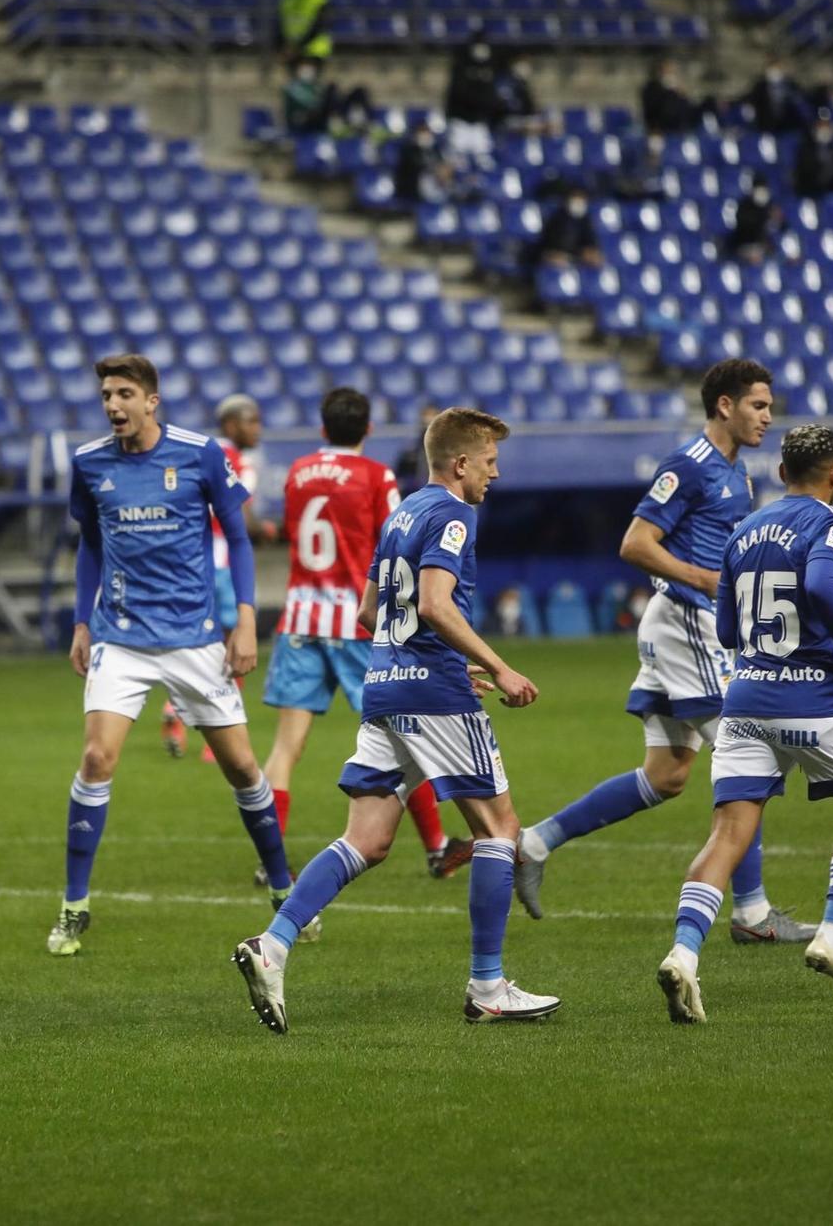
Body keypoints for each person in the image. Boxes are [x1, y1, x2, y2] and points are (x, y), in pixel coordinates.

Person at [232, 407, 560, 1033]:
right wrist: (498, 666)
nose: (495, 475)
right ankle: (489, 986)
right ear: (460, 463)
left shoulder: (401, 513)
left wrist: (430, 658)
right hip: (434, 697)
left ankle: (271, 947)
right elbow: (435, 603)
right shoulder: (455, 515)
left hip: (383, 684)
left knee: (367, 840)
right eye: (489, 463)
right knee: (499, 831)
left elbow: (367, 612)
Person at [516, 359, 815, 945]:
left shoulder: (738, 473)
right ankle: (753, 914)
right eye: (758, 404)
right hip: (687, 624)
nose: (768, 416)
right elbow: (635, 542)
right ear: (724, 405)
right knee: (748, 755)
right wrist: (704, 580)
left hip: (682, 625)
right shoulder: (691, 465)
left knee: (668, 774)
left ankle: (533, 843)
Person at [54, 353, 302, 955]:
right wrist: (83, 622)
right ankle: (74, 905)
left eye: (123, 394)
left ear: (151, 401)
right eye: (106, 394)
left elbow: (238, 537)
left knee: (244, 769)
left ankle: (283, 890)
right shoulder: (88, 463)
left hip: (195, 638)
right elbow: (90, 545)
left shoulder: (200, 453)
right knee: (96, 758)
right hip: (121, 638)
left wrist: (244, 620)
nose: (112, 405)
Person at [656, 424, 833, 1024]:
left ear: (782, 471)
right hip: (814, 698)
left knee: (727, 835)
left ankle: (684, 953)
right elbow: (818, 584)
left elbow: (730, 631)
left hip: (745, 700)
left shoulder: (741, 531)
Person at [260, 387, 472, 882]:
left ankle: (271, 863)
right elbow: (399, 533)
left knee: (286, 747)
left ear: (322, 428)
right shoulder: (376, 475)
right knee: (405, 735)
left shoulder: (297, 472)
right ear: (369, 429)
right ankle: (438, 846)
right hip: (359, 621)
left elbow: (295, 533)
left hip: (301, 618)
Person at [163, 392, 278, 765]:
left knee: (199, 644)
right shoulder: (233, 460)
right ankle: (217, 739)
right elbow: (240, 517)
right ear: (231, 424)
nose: (257, 428)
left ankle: (174, 707)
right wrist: (267, 529)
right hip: (223, 563)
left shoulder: (199, 454)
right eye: (251, 420)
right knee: (233, 647)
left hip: (195, 561)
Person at [281, 59, 374, 137]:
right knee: (331, 90)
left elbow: (320, 103)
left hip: (321, 115)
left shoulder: (315, 86)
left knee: (359, 91)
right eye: (304, 67)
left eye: (311, 68)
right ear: (297, 70)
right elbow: (311, 104)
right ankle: (337, 123)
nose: (309, 71)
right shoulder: (292, 88)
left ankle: (360, 120)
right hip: (304, 121)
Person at [640, 56, 714, 137]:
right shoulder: (651, 88)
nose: (671, 74)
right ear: (660, 71)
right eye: (668, 70)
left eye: (673, 71)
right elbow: (653, 110)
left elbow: (687, 110)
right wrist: (670, 91)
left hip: (680, 130)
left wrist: (682, 95)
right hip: (658, 132)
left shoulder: (677, 91)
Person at [533, 190, 604, 269]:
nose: (579, 203)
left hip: (575, 258)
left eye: (582, 199)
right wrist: (551, 255)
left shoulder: (585, 220)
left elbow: (590, 242)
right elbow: (547, 246)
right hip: (555, 257)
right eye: (576, 198)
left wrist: (591, 252)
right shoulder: (557, 218)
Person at [740, 56, 812, 135]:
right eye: (771, 69)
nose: (774, 72)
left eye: (777, 68)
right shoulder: (761, 85)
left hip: (788, 125)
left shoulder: (790, 84)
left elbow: (799, 101)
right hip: (766, 124)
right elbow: (751, 99)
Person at [392, 123, 459, 206]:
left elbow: (442, 165)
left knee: (448, 169)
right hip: (415, 184)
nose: (425, 137)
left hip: (434, 183)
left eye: (427, 135)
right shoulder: (409, 150)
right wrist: (434, 170)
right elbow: (412, 168)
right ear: (416, 136)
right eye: (422, 135)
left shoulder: (435, 150)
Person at [278, 0, 332, 65]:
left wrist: (285, 47)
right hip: (314, 49)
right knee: (307, 80)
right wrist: (299, 47)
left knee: (296, 79)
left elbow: (279, 26)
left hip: (290, 49)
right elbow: (319, 26)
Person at [723, 174, 782, 262]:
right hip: (744, 243)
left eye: (764, 191)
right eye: (759, 191)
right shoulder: (744, 206)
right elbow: (745, 227)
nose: (762, 194)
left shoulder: (769, 207)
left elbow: (778, 228)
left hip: (761, 246)